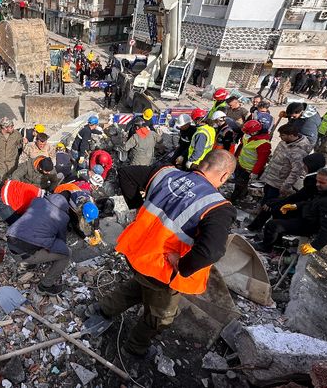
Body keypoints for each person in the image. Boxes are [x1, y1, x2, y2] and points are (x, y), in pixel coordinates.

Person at [88, 151, 237, 358]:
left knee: (141, 284)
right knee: (161, 317)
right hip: (163, 268)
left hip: (137, 252)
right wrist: (183, 266)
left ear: (203, 163)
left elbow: (126, 173)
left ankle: (103, 309)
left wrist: (138, 209)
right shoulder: (218, 207)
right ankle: (134, 348)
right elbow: (212, 251)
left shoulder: (166, 173)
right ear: (224, 176)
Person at [256, 168, 327, 254]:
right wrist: (295, 206)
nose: (317, 184)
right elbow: (314, 202)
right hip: (311, 214)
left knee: (272, 225)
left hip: (312, 225)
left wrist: (315, 246)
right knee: (277, 210)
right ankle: (277, 244)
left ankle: (266, 247)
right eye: (317, 181)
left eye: (321, 183)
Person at [6, 193, 72, 295]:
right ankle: (45, 286)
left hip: (11, 240)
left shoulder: (37, 201)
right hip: (25, 252)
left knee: (38, 236)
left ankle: (29, 264)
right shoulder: (63, 216)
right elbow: (61, 239)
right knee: (66, 253)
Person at [260, 124, 313, 202]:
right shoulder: (284, 142)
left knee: (270, 202)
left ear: (291, 135)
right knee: (265, 196)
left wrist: (285, 186)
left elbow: (296, 172)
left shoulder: (299, 151)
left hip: (279, 182)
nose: (280, 137)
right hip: (270, 177)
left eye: (282, 135)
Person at [230, 120, 271, 203]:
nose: (247, 134)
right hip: (241, 165)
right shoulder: (248, 136)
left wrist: (255, 172)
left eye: (249, 133)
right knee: (238, 183)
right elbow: (242, 147)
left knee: (241, 186)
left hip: (249, 169)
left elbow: (261, 160)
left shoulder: (263, 144)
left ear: (256, 131)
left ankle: (236, 199)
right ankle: (237, 196)